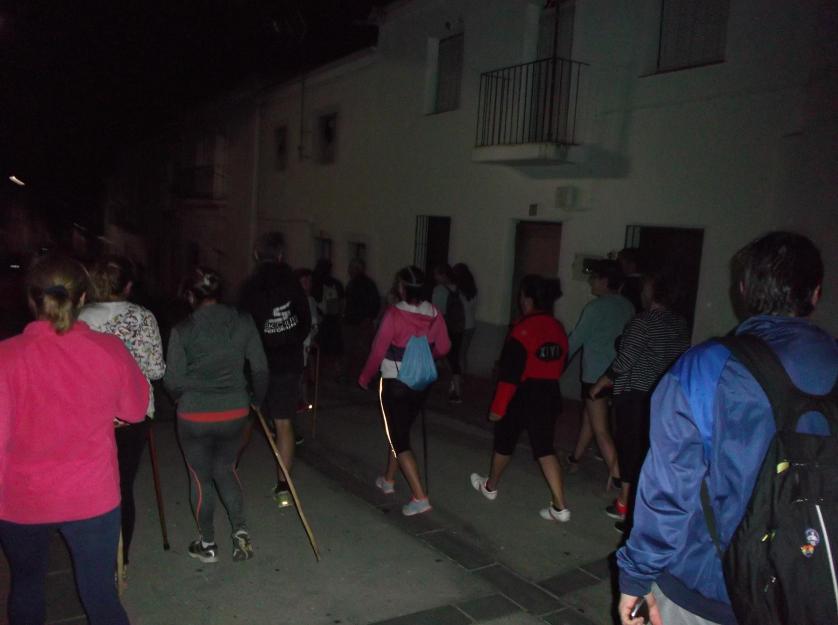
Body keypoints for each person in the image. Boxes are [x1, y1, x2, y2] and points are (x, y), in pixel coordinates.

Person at [617, 232, 837, 625]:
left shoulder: (704, 369)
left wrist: (636, 574)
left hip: (708, 590)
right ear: (816, 293)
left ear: (743, 291)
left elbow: (669, 489)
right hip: (816, 585)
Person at [0, 255, 148, 625]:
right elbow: (135, 410)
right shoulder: (109, 350)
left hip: (22, 498)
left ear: (32, 299)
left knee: (26, 587)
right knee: (100, 594)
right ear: (83, 298)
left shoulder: (6, 356)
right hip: (91, 496)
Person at [164, 267, 268, 562]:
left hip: (195, 414)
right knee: (226, 469)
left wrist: (181, 398)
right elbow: (260, 368)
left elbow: (172, 380)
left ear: (190, 296)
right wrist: (256, 401)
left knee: (200, 478)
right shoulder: (243, 321)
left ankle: (207, 544)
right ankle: (240, 531)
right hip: (235, 410)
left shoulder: (183, 330)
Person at [79, 255, 166, 574]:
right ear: (128, 286)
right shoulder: (143, 317)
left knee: (92, 484)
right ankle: (121, 561)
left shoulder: (79, 318)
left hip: (91, 414)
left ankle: (94, 554)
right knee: (122, 485)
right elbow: (156, 370)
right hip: (134, 413)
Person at [588, 271, 690, 534]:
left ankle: (630, 511)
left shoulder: (644, 321)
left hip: (634, 393)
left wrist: (601, 382)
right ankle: (626, 503)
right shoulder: (679, 324)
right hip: (663, 394)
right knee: (647, 449)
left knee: (630, 450)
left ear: (653, 292)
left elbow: (625, 360)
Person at [470, 275, 571, 522]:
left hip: (522, 394)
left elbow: (510, 374)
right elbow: (563, 363)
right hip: (549, 393)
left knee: (504, 443)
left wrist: (498, 407)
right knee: (545, 448)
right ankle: (560, 507)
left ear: (528, 299)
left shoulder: (522, 329)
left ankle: (491, 486)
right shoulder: (557, 327)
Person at [359, 266, 451, 516]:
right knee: (399, 430)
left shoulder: (394, 314)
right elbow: (444, 346)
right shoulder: (434, 313)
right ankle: (388, 480)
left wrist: (365, 377)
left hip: (396, 382)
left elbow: (378, 350)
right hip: (421, 383)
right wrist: (425, 356)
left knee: (399, 439)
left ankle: (420, 497)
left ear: (402, 288)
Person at [239, 232, 311, 508]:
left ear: (257, 255)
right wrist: (290, 341)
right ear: (280, 255)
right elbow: (304, 320)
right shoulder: (293, 282)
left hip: (258, 363)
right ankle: (283, 487)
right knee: (284, 423)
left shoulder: (250, 286)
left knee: (246, 418)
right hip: (287, 363)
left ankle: (229, 469)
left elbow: (242, 325)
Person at [565, 260, 635, 486]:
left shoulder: (595, 308)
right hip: (618, 374)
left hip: (595, 375)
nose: (591, 282)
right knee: (591, 419)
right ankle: (575, 459)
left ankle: (619, 478)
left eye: (594, 278)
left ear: (605, 281)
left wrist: (557, 363)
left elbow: (575, 339)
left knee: (601, 429)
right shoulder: (627, 306)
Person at [341, 258, 380, 383]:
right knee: (358, 351)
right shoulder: (365, 284)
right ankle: (358, 376)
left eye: (351, 268)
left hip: (358, 323)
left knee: (357, 351)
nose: (348, 271)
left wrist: (367, 318)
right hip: (357, 321)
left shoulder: (359, 284)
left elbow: (372, 303)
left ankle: (356, 377)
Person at [432, 264, 465, 402]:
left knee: (435, 355)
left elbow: (436, 312)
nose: (435, 277)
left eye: (437, 274)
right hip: (457, 328)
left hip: (444, 329)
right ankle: (456, 388)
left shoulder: (439, 290)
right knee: (454, 358)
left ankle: (454, 390)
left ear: (443, 275)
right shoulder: (457, 288)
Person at [312, 258, 344, 368]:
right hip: (331, 321)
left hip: (323, 321)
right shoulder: (335, 284)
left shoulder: (316, 283)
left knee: (321, 352)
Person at [452, 263, 478, 376]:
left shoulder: (458, 291)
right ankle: (462, 376)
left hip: (461, 325)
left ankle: (459, 377)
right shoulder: (473, 290)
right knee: (462, 354)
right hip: (470, 324)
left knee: (459, 354)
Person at [617, 248, 644, 313]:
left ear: (632, 264)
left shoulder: (628, 284)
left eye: (621, 263)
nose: (619, 266)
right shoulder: (646, 281)